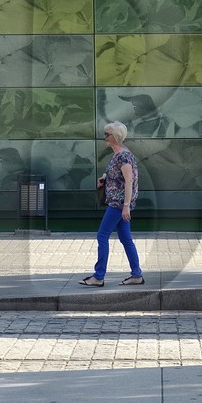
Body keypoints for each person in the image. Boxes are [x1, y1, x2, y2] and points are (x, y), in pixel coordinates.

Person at [81, 121, 144, 287]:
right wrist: (105, 180)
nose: (104, 138)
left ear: (115, 137)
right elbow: (120, 178)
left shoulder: (123, 156)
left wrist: (126, 205)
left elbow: (129, 181)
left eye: (107, 134)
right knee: (126, 239)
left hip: (118, 204)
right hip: (118, 202)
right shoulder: (119, 155)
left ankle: (98, 276)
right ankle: (136, 275)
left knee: (102, 236)